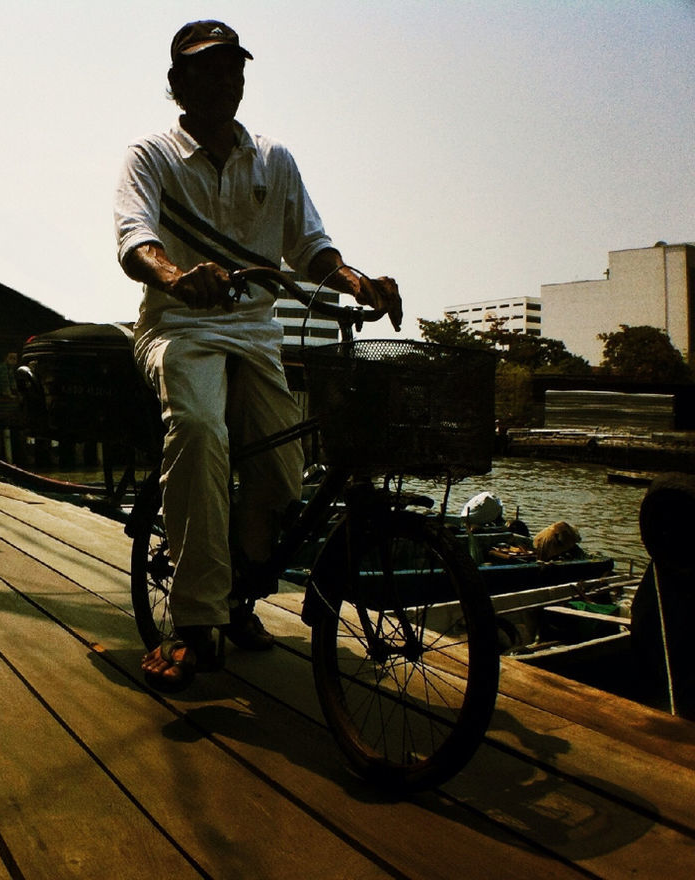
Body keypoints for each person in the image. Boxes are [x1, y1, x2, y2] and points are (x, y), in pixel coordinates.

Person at [115, 20, 402, 690]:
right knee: (198, 432)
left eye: (233, 70)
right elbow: (135, 238)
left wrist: (357, 280)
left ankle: (238, 595)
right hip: (179, 328)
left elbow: (312, 248)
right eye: (206, 70)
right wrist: (174, 275)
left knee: (282, 473)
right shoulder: (151, 155)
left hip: (255, 332)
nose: (224, 81)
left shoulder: (274, 160)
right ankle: (193, 623)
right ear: (176, 83)